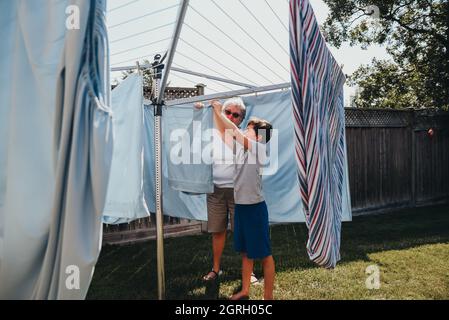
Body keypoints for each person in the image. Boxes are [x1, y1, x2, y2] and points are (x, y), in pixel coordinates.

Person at [210, 99, 275, 300]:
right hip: (242, 208)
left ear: (258, 136)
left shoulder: (259, 149)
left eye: (248, 128)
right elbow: (224, 132)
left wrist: (219, 110)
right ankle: (245, 290)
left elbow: (233, 131)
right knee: (246, 252)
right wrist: (216, 114)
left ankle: (268, 298)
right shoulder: (241, 148)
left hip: (255, 210)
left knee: (264, 255)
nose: (244, 130)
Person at [194, 98, 258, 284]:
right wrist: (198, 111)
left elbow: (227, 131)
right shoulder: (213, 131)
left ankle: (249, 273)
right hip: (215, 190)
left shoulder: (242, 136)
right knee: (217, 231)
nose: (230, 116)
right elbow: (193, 132)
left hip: (239, 191)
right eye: (227, 112)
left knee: (243, 233)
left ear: (241, 119)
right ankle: (215, 269)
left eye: (235, 114)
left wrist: (218, 112)